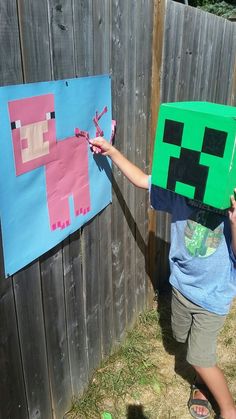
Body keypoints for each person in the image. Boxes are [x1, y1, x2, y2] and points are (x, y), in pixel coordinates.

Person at [90, 136, 236, 419]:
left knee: (198, 356)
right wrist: (112, 152)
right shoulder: (181, 189)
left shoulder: (229, 199)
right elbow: (143, 180)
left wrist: (233, 222)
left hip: (213, 296)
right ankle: (201, 375)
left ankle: (228, 408)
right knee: (180, 339)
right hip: (181, 286)